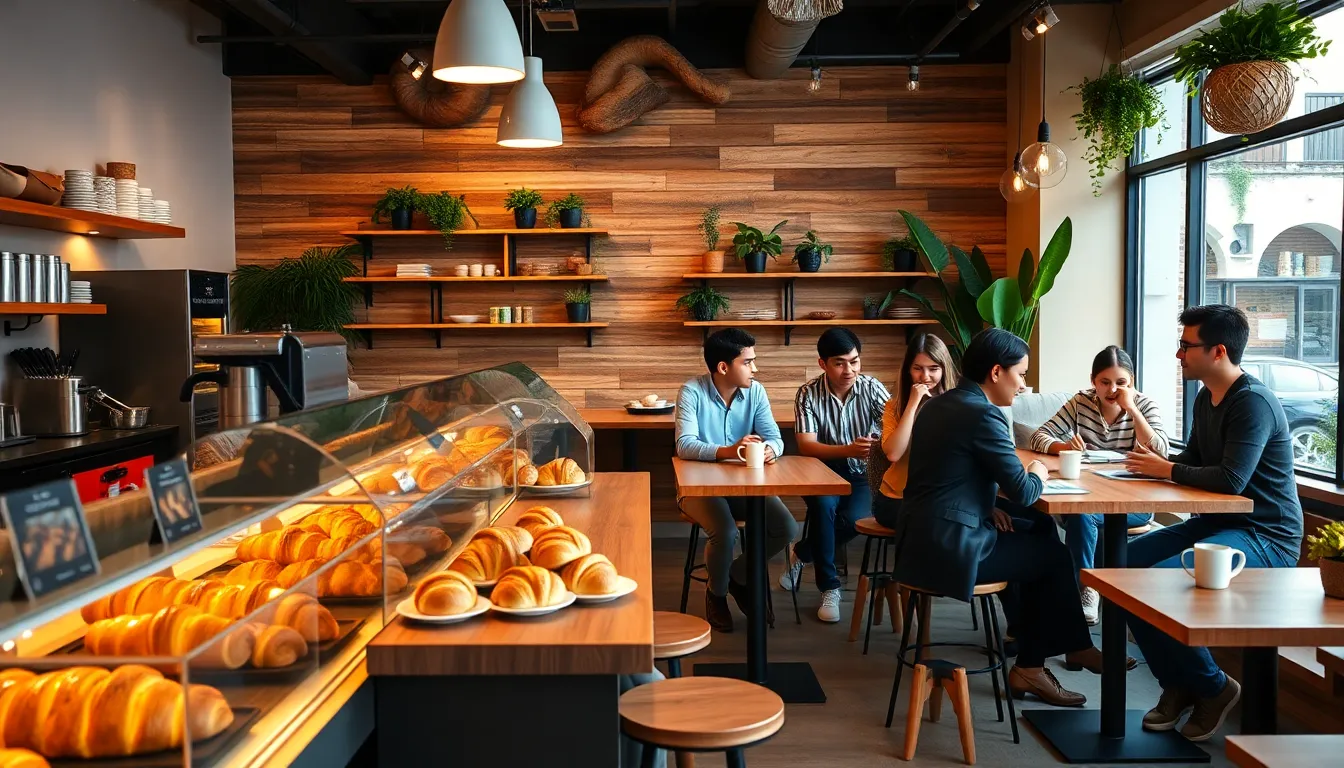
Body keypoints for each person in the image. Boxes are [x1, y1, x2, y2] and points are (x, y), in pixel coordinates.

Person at [892, 328, 1115, 707]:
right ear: (997, 372)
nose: (1023, 385)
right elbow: (1026, 491)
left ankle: (1052, 652)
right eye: (1022, 374)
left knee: (1040, 528)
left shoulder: (938, 405)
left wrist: (988, 504)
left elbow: (949, 475)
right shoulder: (984, 415)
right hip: (952, 547)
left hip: (919, 537)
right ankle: (1044, 659)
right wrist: (1041, 472)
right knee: (1053, 556)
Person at [1122, 304, 1303, 742]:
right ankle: (1180, 684)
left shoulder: (1253, 402)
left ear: (1218, 351)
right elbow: (1192, 463)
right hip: (1216, 526)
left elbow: (1231, 478)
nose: (1179, 354)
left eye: (1186, 346)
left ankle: (1214, 687)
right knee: (1122, 568)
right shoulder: (1207, 397)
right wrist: (1152, 466)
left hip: (1266, 534)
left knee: (1158, 584)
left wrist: (1165, 471)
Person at [1030, 345, 1169, 625]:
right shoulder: (1081, 403)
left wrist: (1132, 409)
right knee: (1081, 514)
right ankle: (1085, 590)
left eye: (1121, 383)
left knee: (1083, 516)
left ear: (1132, 383)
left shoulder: (1144, 405)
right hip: (1085, 495)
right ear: (1093, 381)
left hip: (1135, 502)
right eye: (1104, 382)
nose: (1112, 390)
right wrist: (1064, 446)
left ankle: (1083, 590)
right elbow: (1038, 436)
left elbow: (1160, 451)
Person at [675, 328, 799, 633]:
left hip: (745, 487)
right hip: (698, 488)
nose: (755, 369)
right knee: (726, 532)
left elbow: (774, 437)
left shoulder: (756, 391)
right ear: (723, 367)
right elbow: (685, 444)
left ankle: (737, 575)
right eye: (748, 362)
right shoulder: (691, 392)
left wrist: (771, 449)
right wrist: (729, 451)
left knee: (786, 527)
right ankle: (716, 595)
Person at [779, 328, 890, 623]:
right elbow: (806, 445)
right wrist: (848, 450)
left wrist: (879, 443)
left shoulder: (872, 388)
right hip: (820, 470)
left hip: (862, 473)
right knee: (824, 507)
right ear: (823, 364)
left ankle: (803, 552)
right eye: (840, 363)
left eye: (854, 361)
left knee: (856, 521)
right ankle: (830, 588)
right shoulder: (807, 393)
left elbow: (895, 426)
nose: (849, 370)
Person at [872, 333, 958, 529]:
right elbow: (893, 453)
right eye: (918, 369)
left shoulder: (958, 406)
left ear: (944, 370)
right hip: (897, 499)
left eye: (933, 369)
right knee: (940, 525)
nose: (925, 377)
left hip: (942, 498)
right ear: (908, 370)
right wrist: (912, 404)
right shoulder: (893, 407)